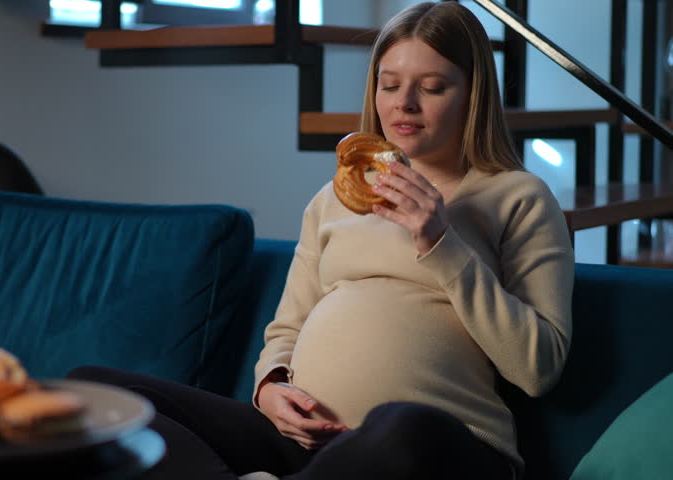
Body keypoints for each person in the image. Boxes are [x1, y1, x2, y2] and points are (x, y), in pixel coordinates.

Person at [68, 2, 574, 479]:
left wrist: (441, 241)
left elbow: (538, 367)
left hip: (442, 446)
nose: (404, 104)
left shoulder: (517, 197)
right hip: (305, 446)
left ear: (472, 94)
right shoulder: (333, 199)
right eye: (389, 84)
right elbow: (285, 331)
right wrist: (269, 389)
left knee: (402, 424)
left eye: (433, 87)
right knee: (93, 388)